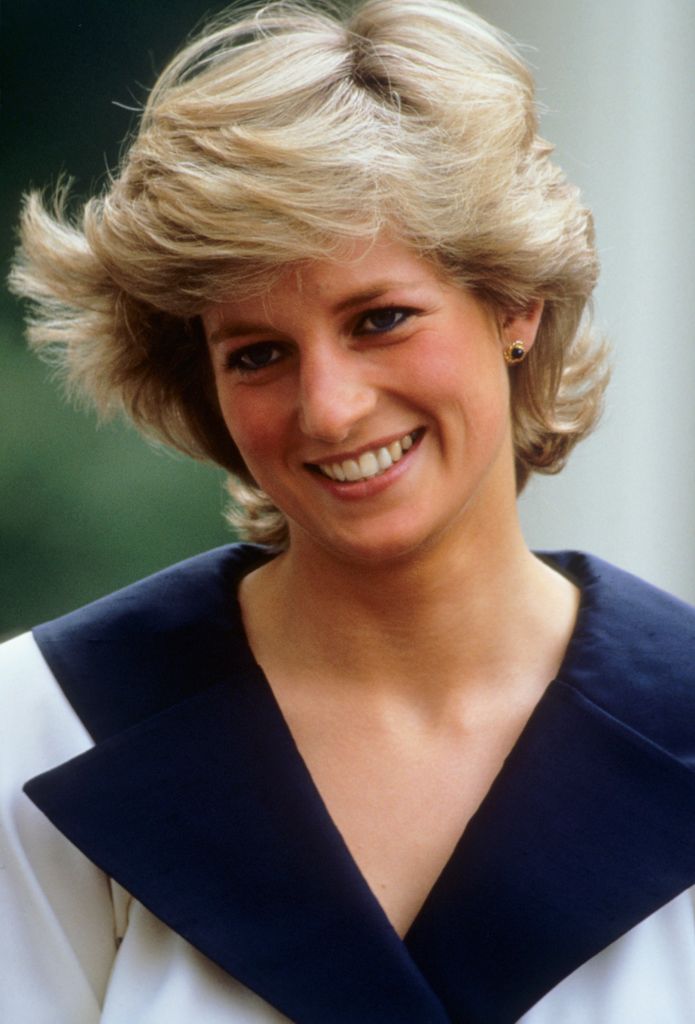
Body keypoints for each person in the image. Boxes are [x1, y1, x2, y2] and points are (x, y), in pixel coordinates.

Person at [2, 0, 694, 1021]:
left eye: (379, 319)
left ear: (514, 307)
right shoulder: (40, 731)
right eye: (257, 353)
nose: (327, 407)